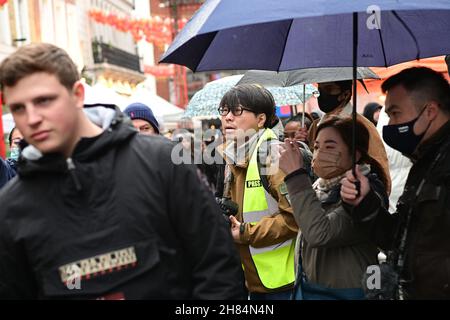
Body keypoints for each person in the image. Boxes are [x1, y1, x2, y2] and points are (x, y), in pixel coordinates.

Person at [0, 43, 243, 299]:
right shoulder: (12, 208)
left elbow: (219, 271)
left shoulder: (161, 163)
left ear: (78, 94)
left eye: (44, 101)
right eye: (18, 108)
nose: (32, 117)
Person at [341, 67, 450, 299]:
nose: (389, 124)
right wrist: (364, 202)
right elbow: (398, 237)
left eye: (395, 113)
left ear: (430, 110)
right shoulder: (424, 162)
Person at [279, 116, 388, 300]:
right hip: (316, 290)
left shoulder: (363, 192)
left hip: (351, 292)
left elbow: (319, 232)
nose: (319, 154)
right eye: (316, 147)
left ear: (355, 154)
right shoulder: (320, 186)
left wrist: (296, 176)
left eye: (330, 147)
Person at [217, 84, 298, 300]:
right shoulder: (232, 156)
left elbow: (296, 218)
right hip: (250, 281)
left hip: (282, 282)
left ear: (260, 120)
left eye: (237, 111)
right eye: (224, 111)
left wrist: (245, 232)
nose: (228, 118)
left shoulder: (272, 155)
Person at [297, 80, 391, 194]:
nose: (322, 94)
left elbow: (381, 172)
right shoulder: (315, 126)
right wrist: (303, 147)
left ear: (345, 94)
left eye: (328, 89)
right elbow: (314, 166)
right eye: (319, 90)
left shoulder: (363, 126)